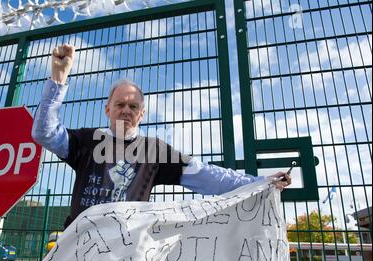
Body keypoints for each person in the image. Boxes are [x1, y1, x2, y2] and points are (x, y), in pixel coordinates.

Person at [32, 44, 291, 229]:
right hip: (79, 247)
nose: (125, 111)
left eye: (133, 107)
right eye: (120, 104)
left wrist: (258, 182)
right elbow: (44, 133)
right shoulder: (87, 141)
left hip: (125, 253)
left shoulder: (155, 152)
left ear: (142, 114)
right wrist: (58, 77)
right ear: (107, 109)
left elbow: (209, 177)